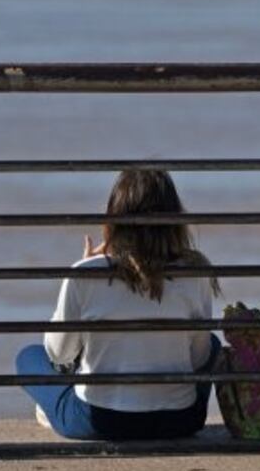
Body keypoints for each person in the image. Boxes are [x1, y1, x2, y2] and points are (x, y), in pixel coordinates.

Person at [15, 169, 221, 440]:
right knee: (213, 344)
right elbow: (198, 358)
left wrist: (85, 269)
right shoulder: (195, 272)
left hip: (101, 422)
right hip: (179, 421)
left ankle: (55, 408)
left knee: (28, 357)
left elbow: (59, 354)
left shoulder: (86, 274)